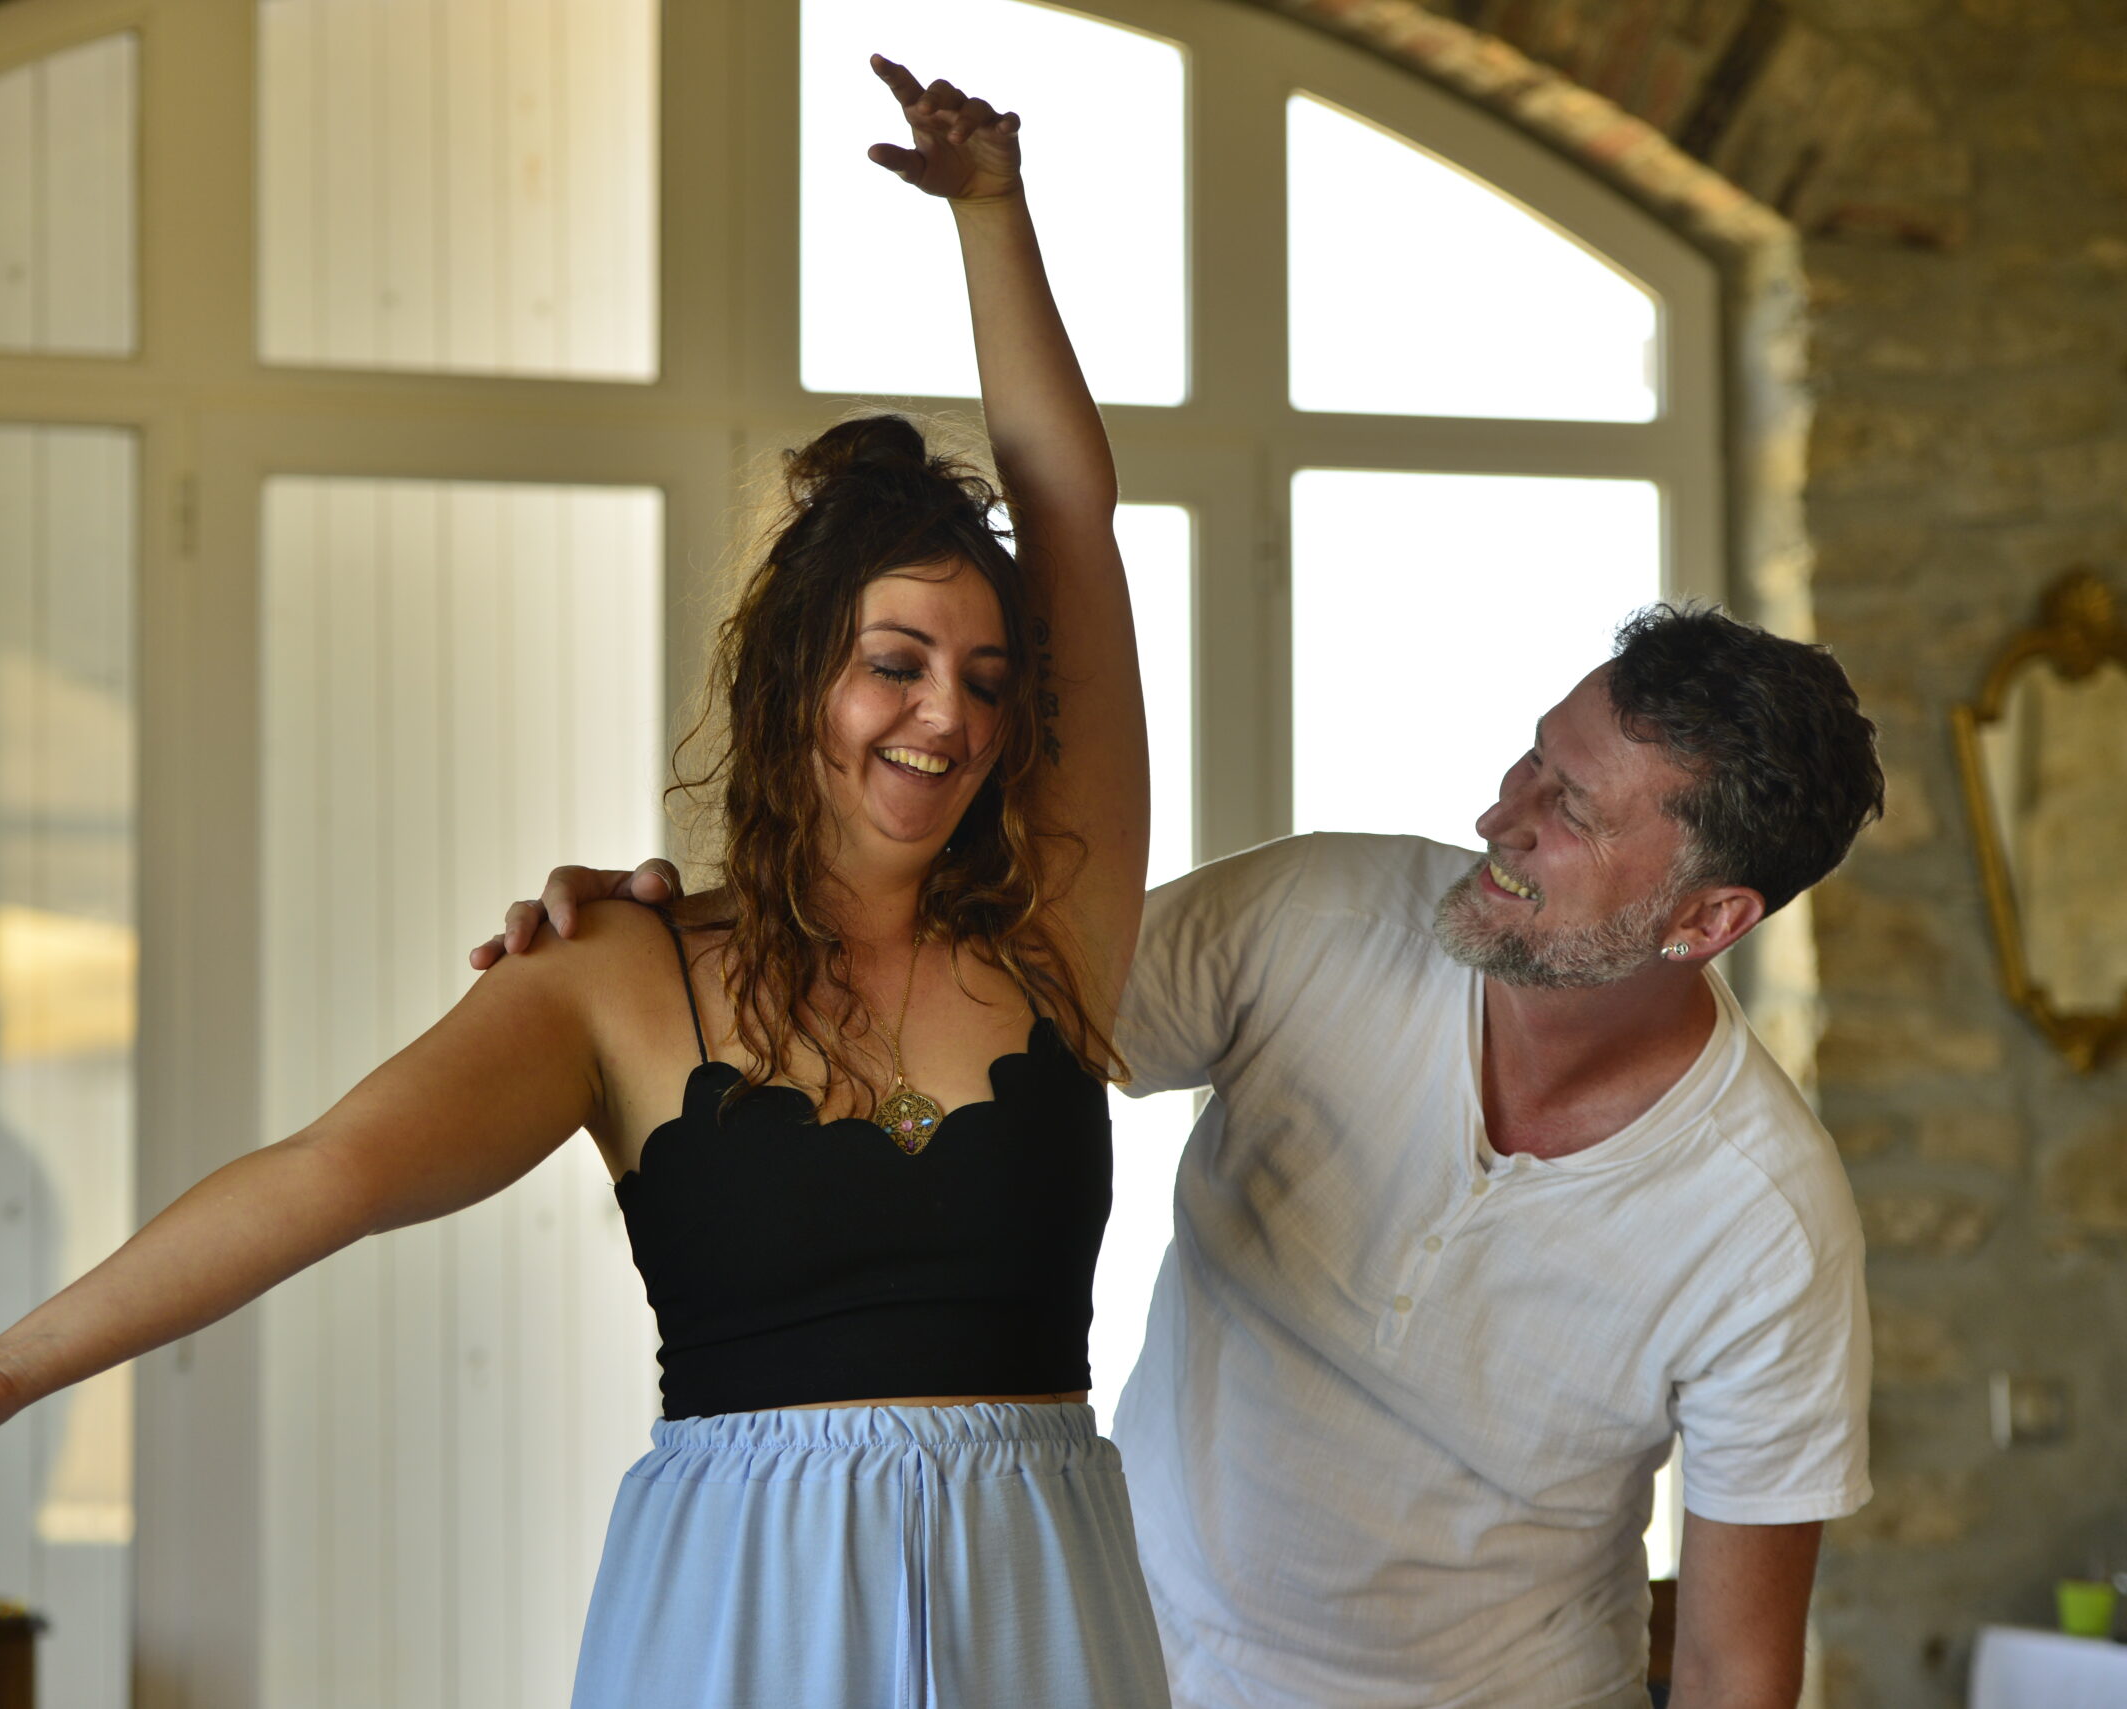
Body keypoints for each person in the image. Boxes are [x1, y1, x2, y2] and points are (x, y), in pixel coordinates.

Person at [0, 56, 1173, 1709]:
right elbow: (327, 1173)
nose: (947, 717)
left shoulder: (1055, 929)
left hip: (1043, 1624)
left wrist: (992, 213)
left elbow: (1070, 511)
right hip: (740, 1628)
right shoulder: (619, 974)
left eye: (985, 679)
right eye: (895, 663)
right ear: (794, 690)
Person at [492, 605, 1883, 1708]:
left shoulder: (1766, 1222)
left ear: (1708, 920)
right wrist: (678, 942)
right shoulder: (1318, 915)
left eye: (1571, 811)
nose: (1499, 815)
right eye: (1534, 758)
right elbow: (966, 1005)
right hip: (1132, 1669)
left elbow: (1733, 1670)